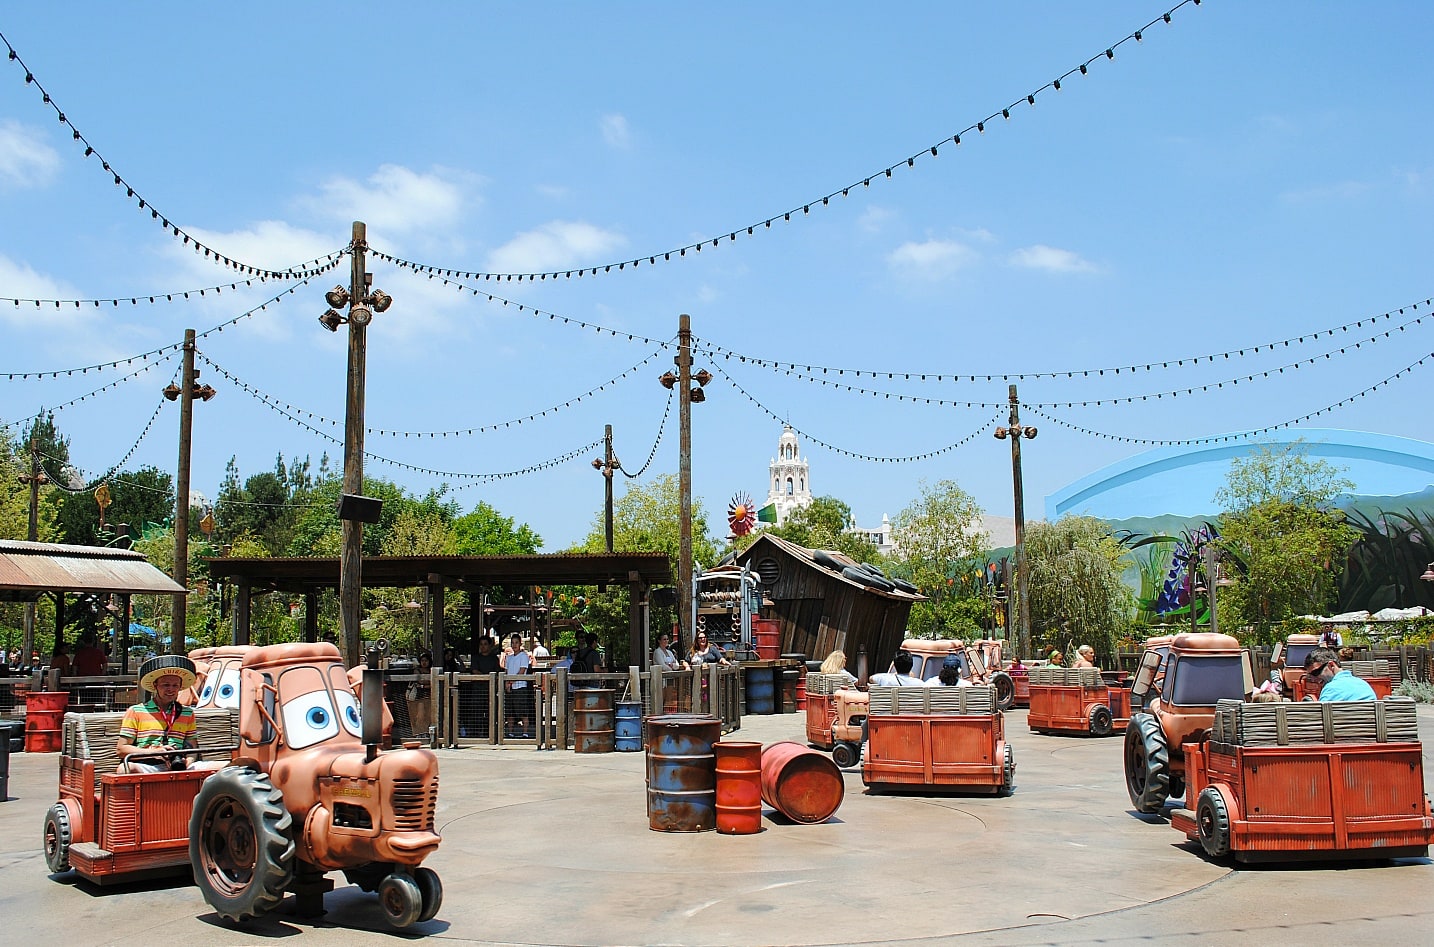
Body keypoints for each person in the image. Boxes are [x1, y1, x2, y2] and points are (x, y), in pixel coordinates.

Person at [116, 655, 199, 773]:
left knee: (226, 767)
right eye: (166, 685)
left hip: (178, 765)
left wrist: (186, 763)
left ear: (180, 687)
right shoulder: (135, 711)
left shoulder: (187, 713)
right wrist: (153, 752)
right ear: (155, 686)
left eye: (175, 685)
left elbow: (193, 748)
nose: (171, 689)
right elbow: (121, 749)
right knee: (123, 769)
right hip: (147, 765)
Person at [1303, 647, 1376, 701]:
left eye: (1316, 672)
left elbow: (1319, 718)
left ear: (1331, 665)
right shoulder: (1363, 684)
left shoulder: (1331, 689)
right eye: (1310, 675)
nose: (1313, 679)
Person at [503, 633, 533, 737]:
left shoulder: (524, 656)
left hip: (520, 686)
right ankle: (510, 732)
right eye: (512, 643)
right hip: (510, 687)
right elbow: (506, 671)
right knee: (510, 712)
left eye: (516, 642)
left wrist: (511, 681)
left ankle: (525, 732)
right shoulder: (509, 657)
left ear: (520, 643)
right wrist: (507, 683)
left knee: (523, 711)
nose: (514, 645)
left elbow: (522, 670)